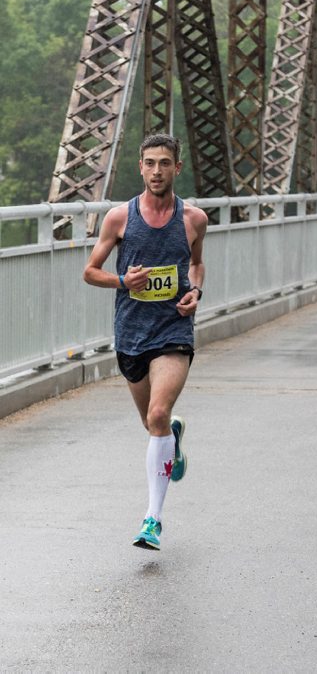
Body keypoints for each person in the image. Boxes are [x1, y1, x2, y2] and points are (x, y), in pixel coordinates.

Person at [83, 132, 208, 550]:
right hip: (131, 331)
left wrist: (195, 292)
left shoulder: (194, 219)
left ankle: (152, 520)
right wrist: (123, 280)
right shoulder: (120, 218)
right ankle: (172, 435)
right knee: (153, 425)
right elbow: (90, 271)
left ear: (177, 167)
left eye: (165, 163)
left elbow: (196, 264)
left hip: (172, 329)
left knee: (156, 413)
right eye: (150, 163)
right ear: (141, 168)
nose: (157, 171)